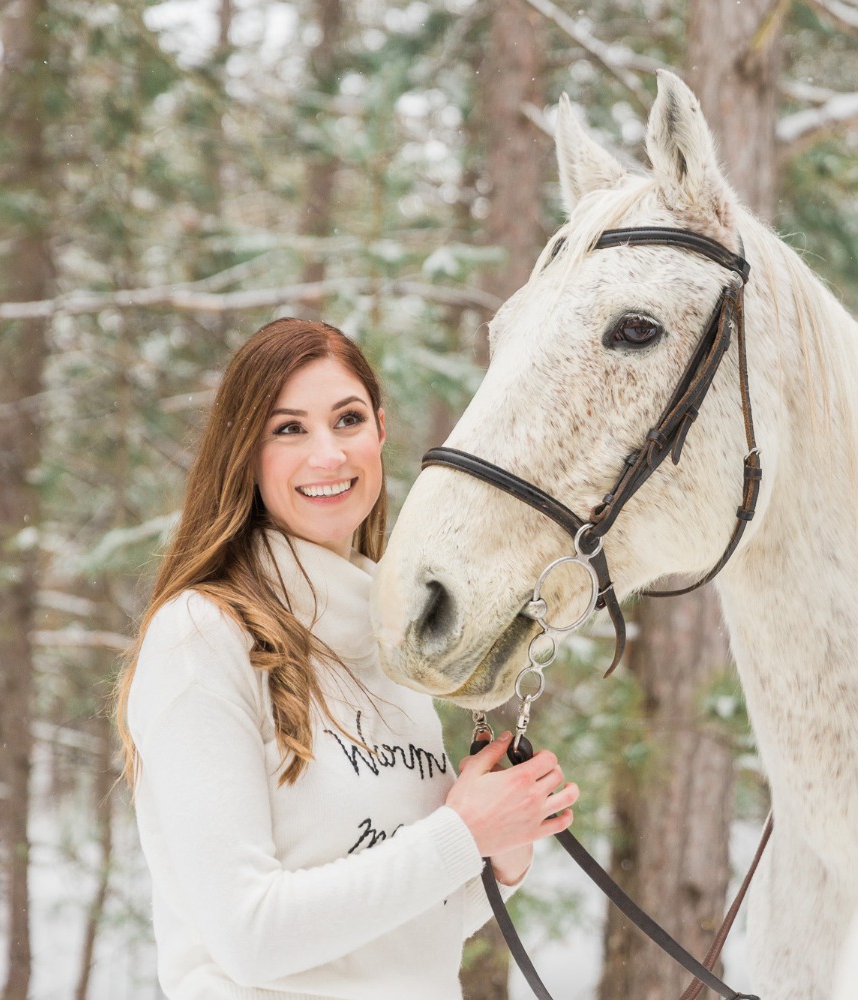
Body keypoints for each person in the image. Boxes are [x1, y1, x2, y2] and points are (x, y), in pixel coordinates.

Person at [115, 317, 578, 999]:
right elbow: (250, 937)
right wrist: (461, 831)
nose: (328, 455)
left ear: (381, 433)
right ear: (245, 453)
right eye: (289, 429)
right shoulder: (202, 636)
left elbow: (404, 936)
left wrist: (498, 850)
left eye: (348, 419)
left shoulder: (384, 633)